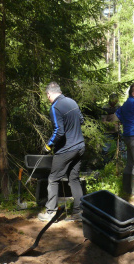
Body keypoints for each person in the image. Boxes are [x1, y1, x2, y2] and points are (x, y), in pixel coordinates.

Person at [39, 82, 85, 222]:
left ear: (50, 94)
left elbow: (59, 131)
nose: (48, 99)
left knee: (53, 179)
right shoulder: (72, 102)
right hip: (80, 147)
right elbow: (81, 120)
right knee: (74, 179)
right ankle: (78, 212)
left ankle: (50, 212)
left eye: (47, 96)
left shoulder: (55, 107)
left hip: (67, 149)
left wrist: (48, 146)